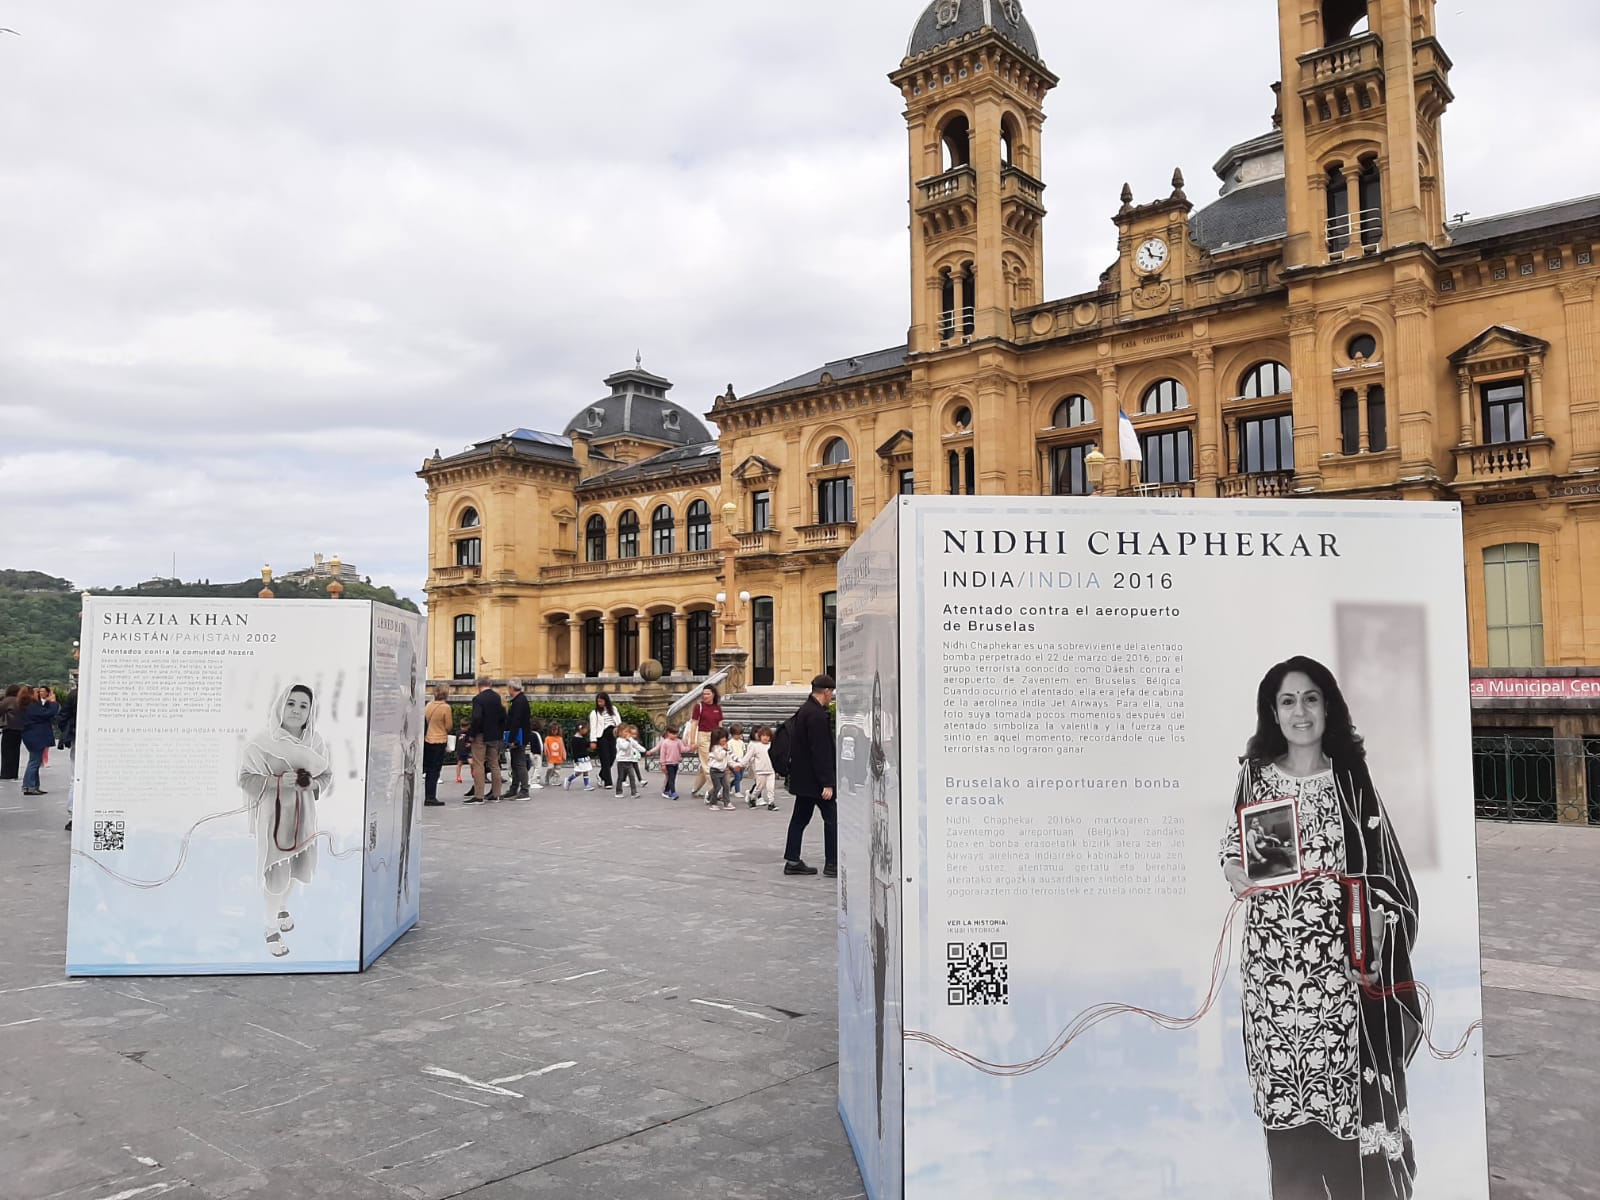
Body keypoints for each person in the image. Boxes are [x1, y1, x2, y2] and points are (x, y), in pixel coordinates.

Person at [1220, 655, 1419, 1200]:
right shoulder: (1254, 776)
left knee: (1342, 1124)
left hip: (1338, 983)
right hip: (1272, 984)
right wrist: (1233, 868)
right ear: (1273, 713)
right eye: (1288, 701)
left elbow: (1385, 874)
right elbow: (1233, 847)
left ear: (1327, 706)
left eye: (1310, 698)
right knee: (1286, 1127)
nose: (1300, 711)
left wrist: (1378, 923)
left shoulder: (1351, 782)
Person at [238, 683, 332, 958]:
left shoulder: (315, 742)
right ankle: (270, 929)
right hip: (274, 817)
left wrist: (310, 784)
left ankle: (281, 908)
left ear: (310, 712)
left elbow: (326, 776)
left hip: (304, 817)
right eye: (291, 703)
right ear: (281, 705)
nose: (296, 710)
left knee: (297, 867)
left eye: (304, 706)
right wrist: (277, 782)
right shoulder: (262, 741)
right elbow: (244, 778)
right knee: (276, 872)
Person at [782, 674, 838, 876]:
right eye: (831, 692)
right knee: (832, 818)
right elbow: (820, 751)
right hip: (815, 781)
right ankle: (832, 863)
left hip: (803, 778)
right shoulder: (816, 715)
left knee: (799, 819)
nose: (832, 696)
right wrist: (827, 783)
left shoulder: (806, 710)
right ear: (826, 692)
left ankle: (792, 860)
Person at [465, 677, 505, 803]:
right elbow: (503, 716)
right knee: (494, 764)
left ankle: (479, 795)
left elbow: (477, 717)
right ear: (490, 684)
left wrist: (471, 734)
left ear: (478, 686)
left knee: (478, 764)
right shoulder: (497, 697)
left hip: (481, 735)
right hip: (494, 735)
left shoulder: (478, 699)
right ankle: (496, 793)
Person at [20, 686, 60, 796]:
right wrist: (53, 702)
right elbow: (47, 713)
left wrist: (48, 703)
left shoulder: (27, 706)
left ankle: (32, 785)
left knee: (34, 761)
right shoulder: (32, 706)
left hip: (31, 735)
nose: (38, 694)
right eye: (36, 692)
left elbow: (43, 712)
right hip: (36, 736)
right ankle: (29, 786)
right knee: (34, 762)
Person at [688, 685, 723, 798]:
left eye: (708, 693)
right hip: (703, 736)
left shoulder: (717, 707)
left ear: (713, 694)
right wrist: (692, 741)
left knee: (704, 767)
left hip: (715, 736)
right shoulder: (699, 707)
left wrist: (722, 739)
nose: (705, 696)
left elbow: (720, 724)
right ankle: (714, 789)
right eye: (704, 694)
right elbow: (694, 724)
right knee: (708, 764)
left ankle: (695, 789)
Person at [423, 686, 452, 807]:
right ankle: (431, 797)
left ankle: (428, 795)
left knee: (429, 769)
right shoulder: (446, 707)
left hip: (428, 739)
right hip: (440, 740)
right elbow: (449, 725)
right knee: (435, 769)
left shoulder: (428, 705)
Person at [505, 679, 533, 799]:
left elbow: (515, 722)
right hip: (521, 735)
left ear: (511, 688)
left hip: (519, 736)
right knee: (515, 762)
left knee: (519, 762)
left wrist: (511, 739)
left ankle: (524, 789)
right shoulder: (521, 700)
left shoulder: (518, 702)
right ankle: (514, 787)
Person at [588, 691, 622, 789]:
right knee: (605, 759)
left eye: (601, 701)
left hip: (612, 734)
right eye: (598, 702)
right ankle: (608, 781)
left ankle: (601, 775)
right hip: (602, 736)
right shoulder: (594, 713)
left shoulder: (613, 709)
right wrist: (593, 741)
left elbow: (618, 721)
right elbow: (593, 728)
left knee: (612, 756)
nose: (600, 704)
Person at [741, 726, 778, 810]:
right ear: (760, 736)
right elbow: (748, 757)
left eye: (768, 736)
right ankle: (753, 798)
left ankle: (771, 803)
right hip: (760, 771)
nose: (766, 738)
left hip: (771, 770)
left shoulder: (772, 746)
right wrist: (741, 764)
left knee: (770, 788)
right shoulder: (755, 746)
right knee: (759, 787)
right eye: (764, 735)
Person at [646, 726, 684, 799]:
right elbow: (657, 748)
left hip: (673, 761)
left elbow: (678, 751)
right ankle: (672, 792)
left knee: (670, 777)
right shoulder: (664, 741)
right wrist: (650, 752)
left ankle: (666, 790)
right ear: (667, 734)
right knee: (670, 777)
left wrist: (679, 757)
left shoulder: (676, 741)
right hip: (667, 762)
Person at [704, 729, 733, 810]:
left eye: (725, 737)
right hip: (715, 771)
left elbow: (728, 757)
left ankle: (727, 802)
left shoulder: (724, 747)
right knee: (717, 787)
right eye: (722, 738)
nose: (724, 739)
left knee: (726, 786)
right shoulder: (714, 748)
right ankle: (713, 802)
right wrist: (724, 750)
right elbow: (719, 757)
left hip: (723, 770)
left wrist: (735, 764)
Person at [613, 724, 644, 797]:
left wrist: (644, 750)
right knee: (620, 777)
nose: (627, 733)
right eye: (625, 731)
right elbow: (624, 747)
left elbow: (636, 745)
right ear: (620, 732)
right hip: (621, 761)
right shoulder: (619, 740)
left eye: (628, 731)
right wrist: (628, 740)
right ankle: (618, 792)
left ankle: (634, 792)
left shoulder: (630, 739)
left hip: (629, 761)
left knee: (632, 777)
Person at [0, 683, 22, 780]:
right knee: (16, 751)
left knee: (6, 751)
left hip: (9, 728)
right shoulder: (20, 701)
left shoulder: (6, 701)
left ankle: (6, 773)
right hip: (19, 729)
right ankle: (14, 773)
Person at [564, 722, 595, 790]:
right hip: (579, 758)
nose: (587, 731)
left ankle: (587, 785)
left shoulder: (583, 738)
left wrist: (590, 745)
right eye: (586, 729)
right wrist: (576, 760)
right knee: (578, 772)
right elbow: (574, 751)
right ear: (581, 729)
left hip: (585, 757)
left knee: (586, 771)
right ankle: (569, 779)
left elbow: (585, 745)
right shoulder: (575, 739)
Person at [542, 722, 567, 788]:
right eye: (553, 730)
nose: (554, 731)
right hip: (551, 757)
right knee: (550, 768)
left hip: (558, 757)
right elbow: (546, 747)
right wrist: (546, 753)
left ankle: (556, 780)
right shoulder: (548, 738)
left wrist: (564, 754)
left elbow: (562, 747)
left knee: (557, 770)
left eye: (555, 730)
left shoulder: (560, 738)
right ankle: (547, 777)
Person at [726, 724, 748, 799]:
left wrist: (744, 760)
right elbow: (729, 753)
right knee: (737, 776)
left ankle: (730, 786)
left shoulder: (741, 742)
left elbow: (744, 751)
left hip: (741, 762)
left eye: (740, 734)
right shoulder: (730, 743)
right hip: (734, 763)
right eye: (737, 734)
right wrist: (735, 760)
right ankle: (737, 791)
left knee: (740, 777)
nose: (739, 736)